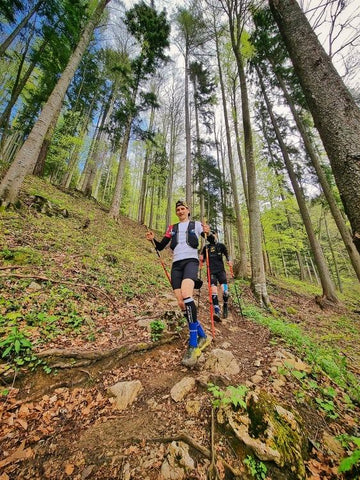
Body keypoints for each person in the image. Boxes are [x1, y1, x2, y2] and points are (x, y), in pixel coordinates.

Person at [146, 200, 212, 367]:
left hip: (191, 261)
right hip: (176, 265)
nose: (180, 211)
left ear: (188, 211)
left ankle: (193, 345)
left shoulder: (196, 224)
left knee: (187, 295)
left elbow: (210, 239)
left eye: (183, 209)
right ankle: (202, 335)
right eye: (178, 209)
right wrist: (153, 240)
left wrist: (208, 232)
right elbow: (161, 247)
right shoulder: (172, 228)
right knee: (181, 303)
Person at [200, 230, 232, 321]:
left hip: (221, 271)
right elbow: (202, 259)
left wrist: (229, 260)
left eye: (213, 234)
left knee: (225, 291)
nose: (212, 236)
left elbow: (226, 254)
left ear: (216, 235)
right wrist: (201, 259)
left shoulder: (221, 245)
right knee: (213, 290)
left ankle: (225, 304)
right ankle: (217, 311)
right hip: (211, 272)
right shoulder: (206, 247)